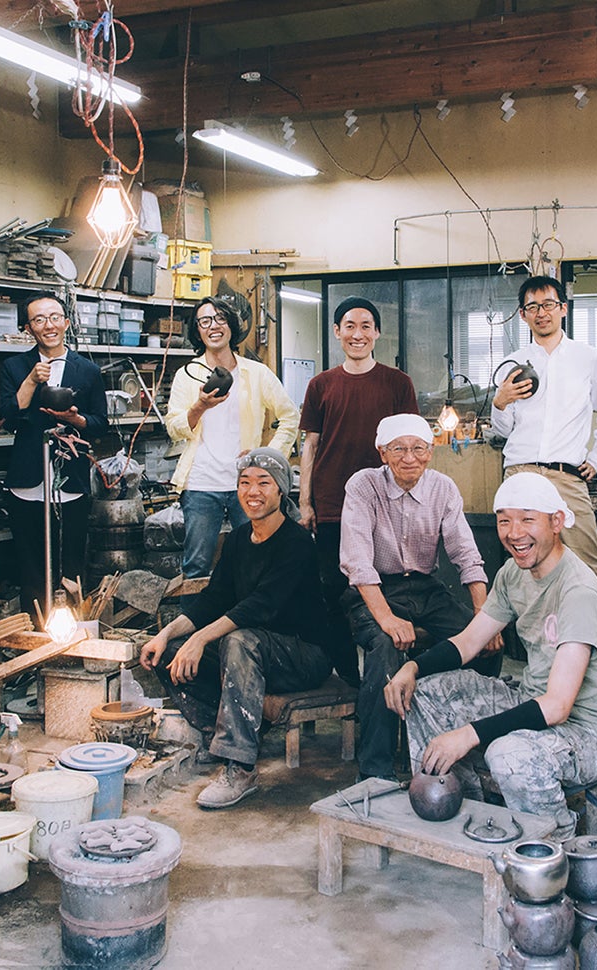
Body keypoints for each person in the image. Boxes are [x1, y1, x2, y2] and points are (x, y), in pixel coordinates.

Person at [384, 473, 597, 840]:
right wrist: (413, 668)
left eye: (527, 519)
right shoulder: (514, 572)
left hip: (588, 732)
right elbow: (468, 643)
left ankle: (555, 845)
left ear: (556, 522)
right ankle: (468, 806)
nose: (514, 533)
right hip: (529, 702)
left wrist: (468, 734)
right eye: (504, 521)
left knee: (509, 754)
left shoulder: (578, 593)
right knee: (424, 692)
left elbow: (558, 707)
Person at [139, 448, 338, 809]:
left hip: (304, 656)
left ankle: (241, 767)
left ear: (281, 490)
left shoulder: (296, 543)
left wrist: (201, 638)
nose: (252, 491)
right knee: (169, 654)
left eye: (264, 483)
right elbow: (213, 599)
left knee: (238, 640)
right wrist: (166, 635)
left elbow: (259, 606)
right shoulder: (238, 539)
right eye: (245, 483)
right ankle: (217, 737)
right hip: (252, 653)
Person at [340, 413, 504, 781]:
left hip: (424, 588)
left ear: (430, 452)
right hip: (374, 590)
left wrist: (484, 617)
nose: (409, 458)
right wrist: (387, 618)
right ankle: (376, 770)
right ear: (382, 453)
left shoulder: (442, 488)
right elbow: (358, 562)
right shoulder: (363, 486)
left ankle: (467, 743)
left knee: (485, 644)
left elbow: (466, 553)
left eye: (418, 448)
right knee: (384, 648)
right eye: (398, 449)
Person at [298, 296, 418, 682]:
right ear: (337, 332)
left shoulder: (398, 383)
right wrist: (305, 501)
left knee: (388, 588)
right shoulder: (321, 385)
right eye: (349, 326)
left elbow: (412, 445)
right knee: (333, 591)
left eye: (366, 326)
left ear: (377, 333)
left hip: (388, 505)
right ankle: (349, 679)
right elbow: (311, 445)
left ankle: (387, 674)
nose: (358, 334)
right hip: (333, 505)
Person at [490, 274, 597, 586]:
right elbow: (504, 430)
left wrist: (596, 458)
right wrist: (500, 402)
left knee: (589, 567)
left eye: (548, 304)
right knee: (525, 568)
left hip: (567, 476)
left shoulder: (587, 358)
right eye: (532, 307)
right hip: (520, 472)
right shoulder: (513, 363)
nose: (541, 313)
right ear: (523, 315)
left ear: (563, 308)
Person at [164, 294, 299, 591]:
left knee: (254, 561)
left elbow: (290, 416)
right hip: (201, 483)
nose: (214, 326)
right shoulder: (187, 375)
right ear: (197, 331)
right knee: (196, 565)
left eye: (220, 318)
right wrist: (200, 406)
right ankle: (193, 621)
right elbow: (173, 428)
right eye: (205, 321)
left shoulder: (257, 373)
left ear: (231, 326)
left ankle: (246, 620)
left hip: (248, 484)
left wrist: (267, 455)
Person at [0, 293, 108, 617]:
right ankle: (36, 629)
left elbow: (100, 424)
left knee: (71, 561)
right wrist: (31, 381)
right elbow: (7, 416)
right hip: (28, 477)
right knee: (31, 564)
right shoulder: (14, 367)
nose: (49, 325)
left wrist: (78, 420)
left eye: (55, 317)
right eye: (39, 319)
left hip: (70, 478)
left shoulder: (87, 370)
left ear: (67, 322)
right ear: (28, 328)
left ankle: (72, 630)